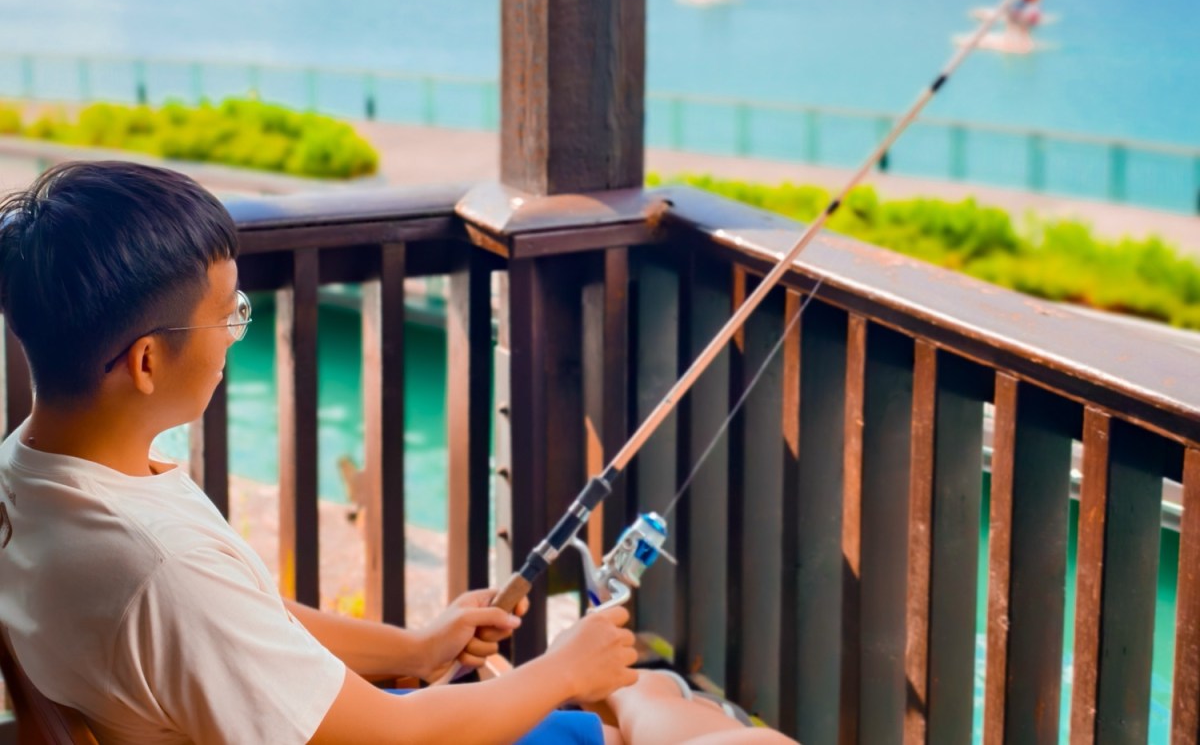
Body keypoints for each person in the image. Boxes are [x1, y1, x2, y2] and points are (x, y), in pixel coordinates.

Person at [0, 161, 794, 745]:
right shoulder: (156, 565)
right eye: (228, 320)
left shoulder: (34, 477)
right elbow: (390, 736)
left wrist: (417, 648)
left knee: (648, 699)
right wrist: (561, 671)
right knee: (719, 729)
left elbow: (250, 617)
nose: (233, 342)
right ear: (145, 362)